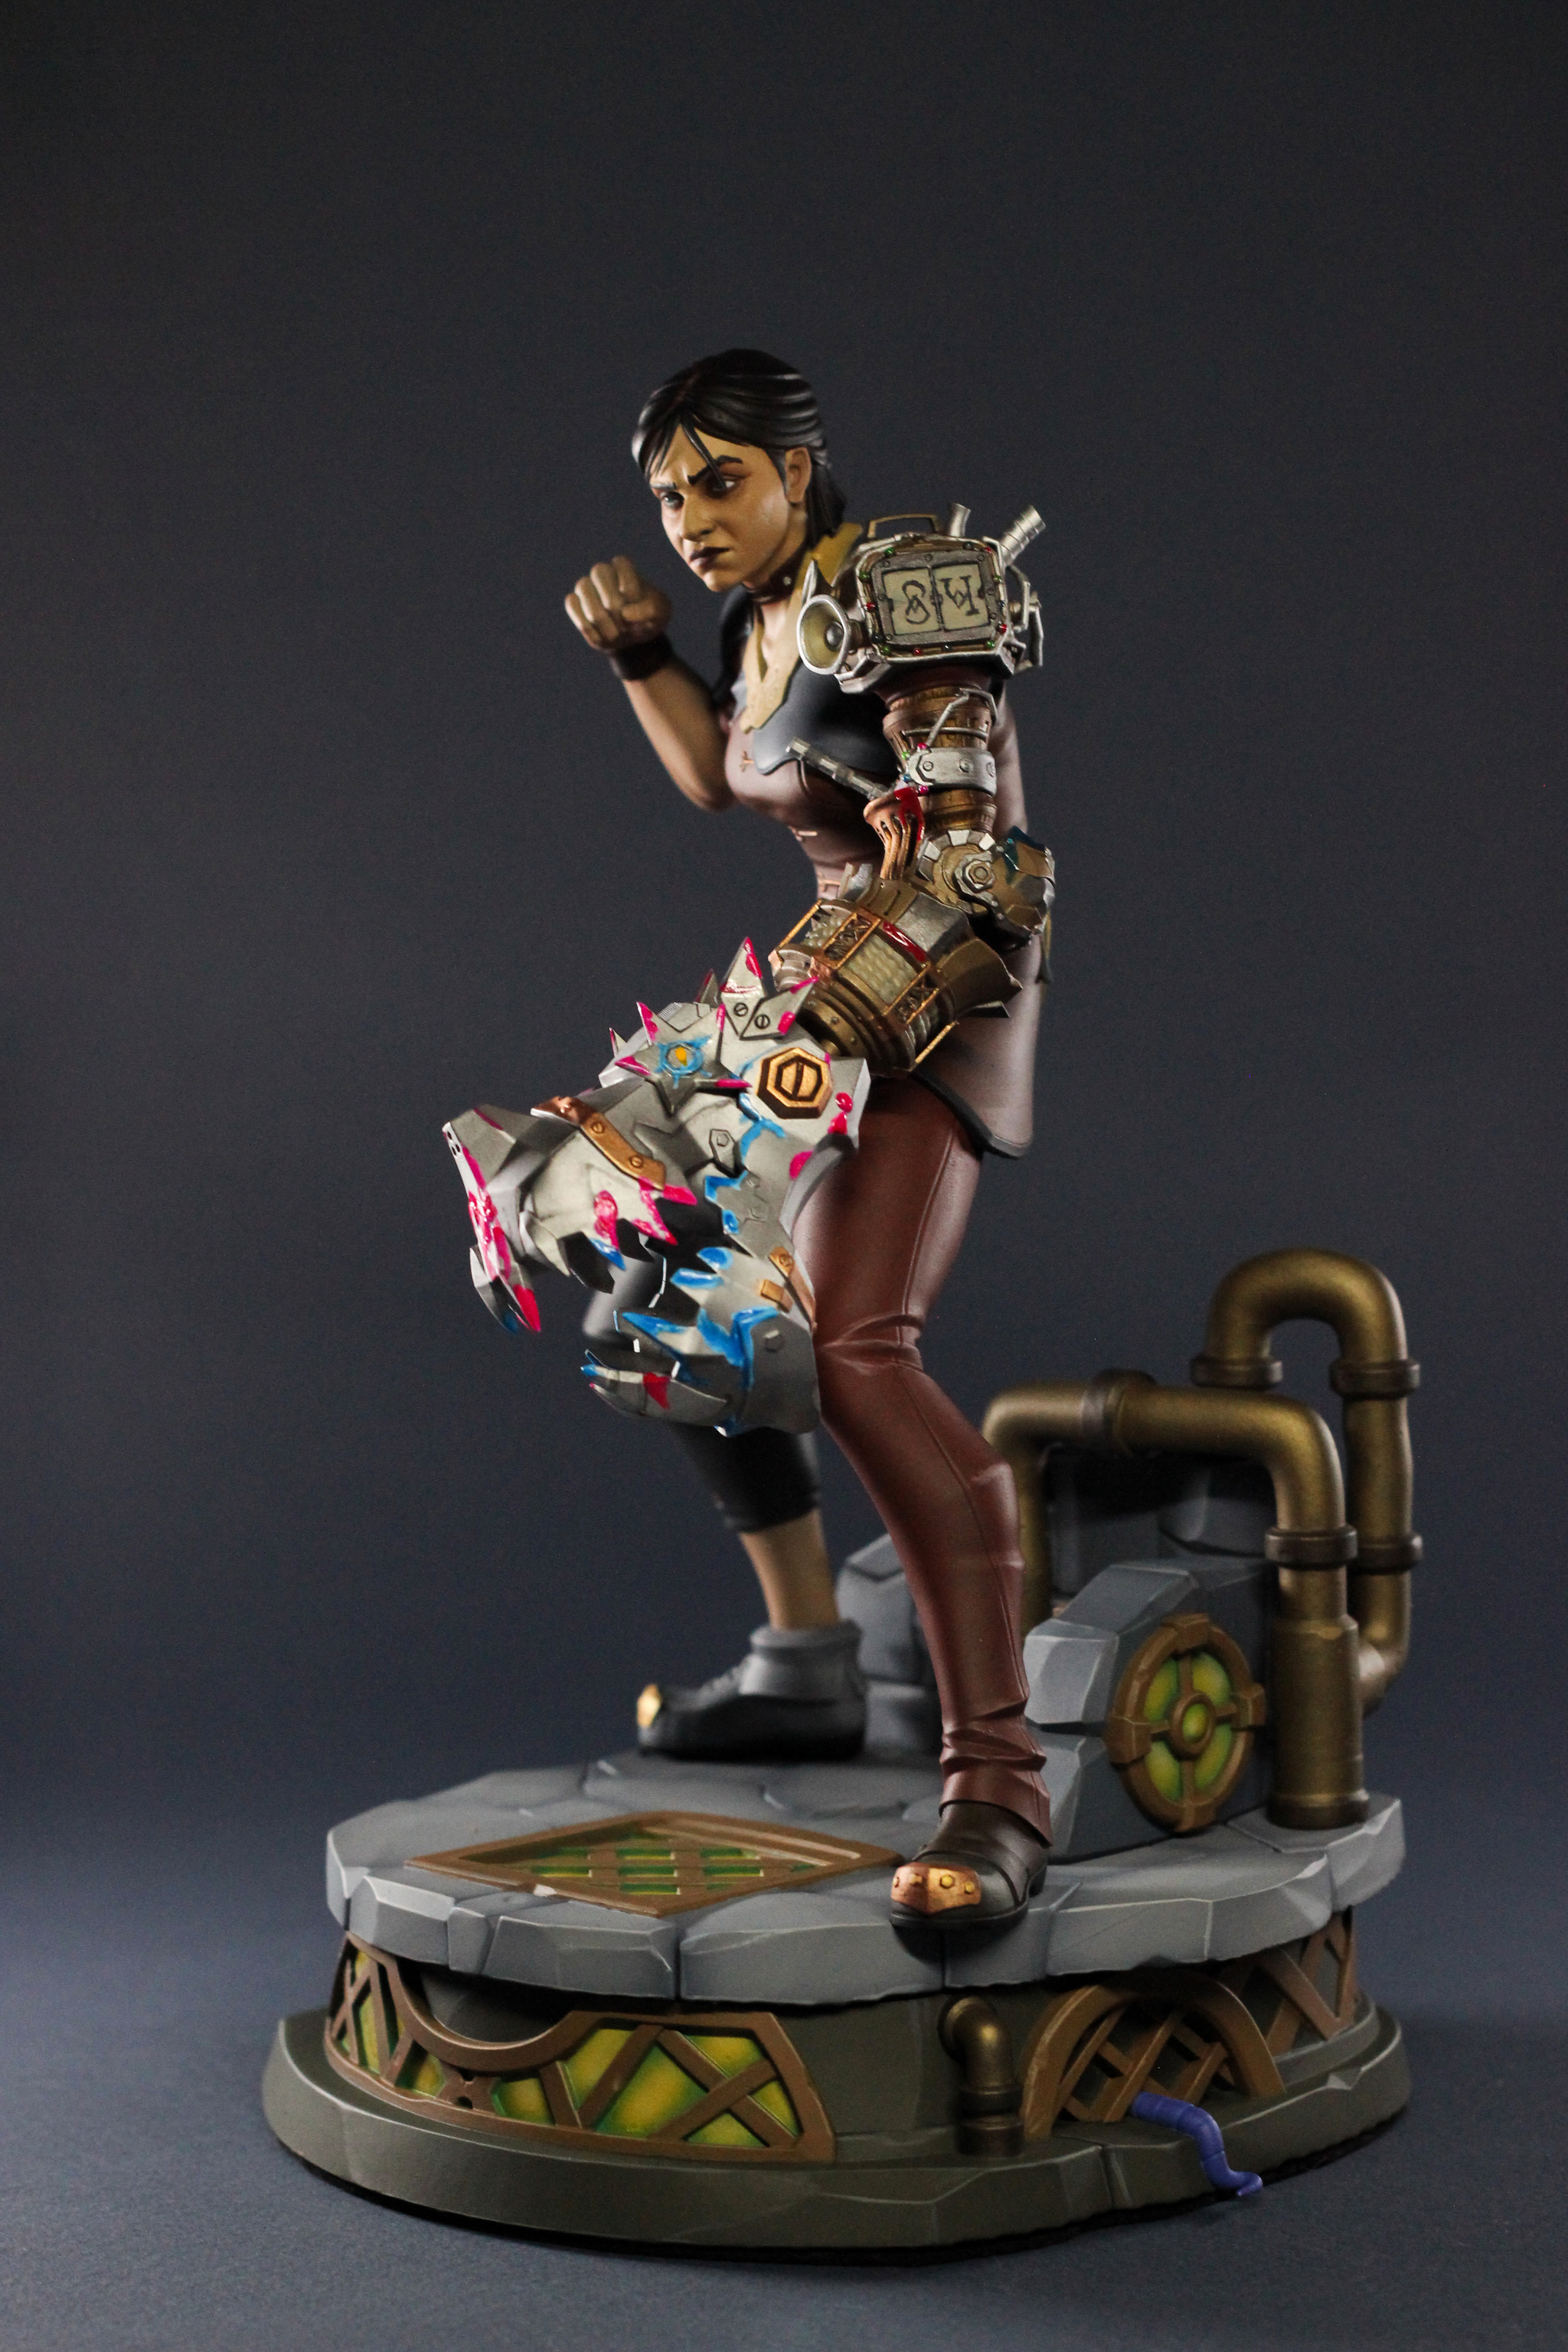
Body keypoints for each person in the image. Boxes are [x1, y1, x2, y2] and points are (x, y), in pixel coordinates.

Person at [563, 349, 1050, 1929]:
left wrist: (831, 1029)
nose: (691, 519)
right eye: (668, 496)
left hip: (933, 988)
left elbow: (974, 869)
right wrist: (643, 652)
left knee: (853, 1351)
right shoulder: (762, 613)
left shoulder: (902, 591)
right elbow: (725, 776)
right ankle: (806, 1661)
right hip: (809, 991)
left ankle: (1000, 1788)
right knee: (658, 1295)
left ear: (797, 464)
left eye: (720, 482)